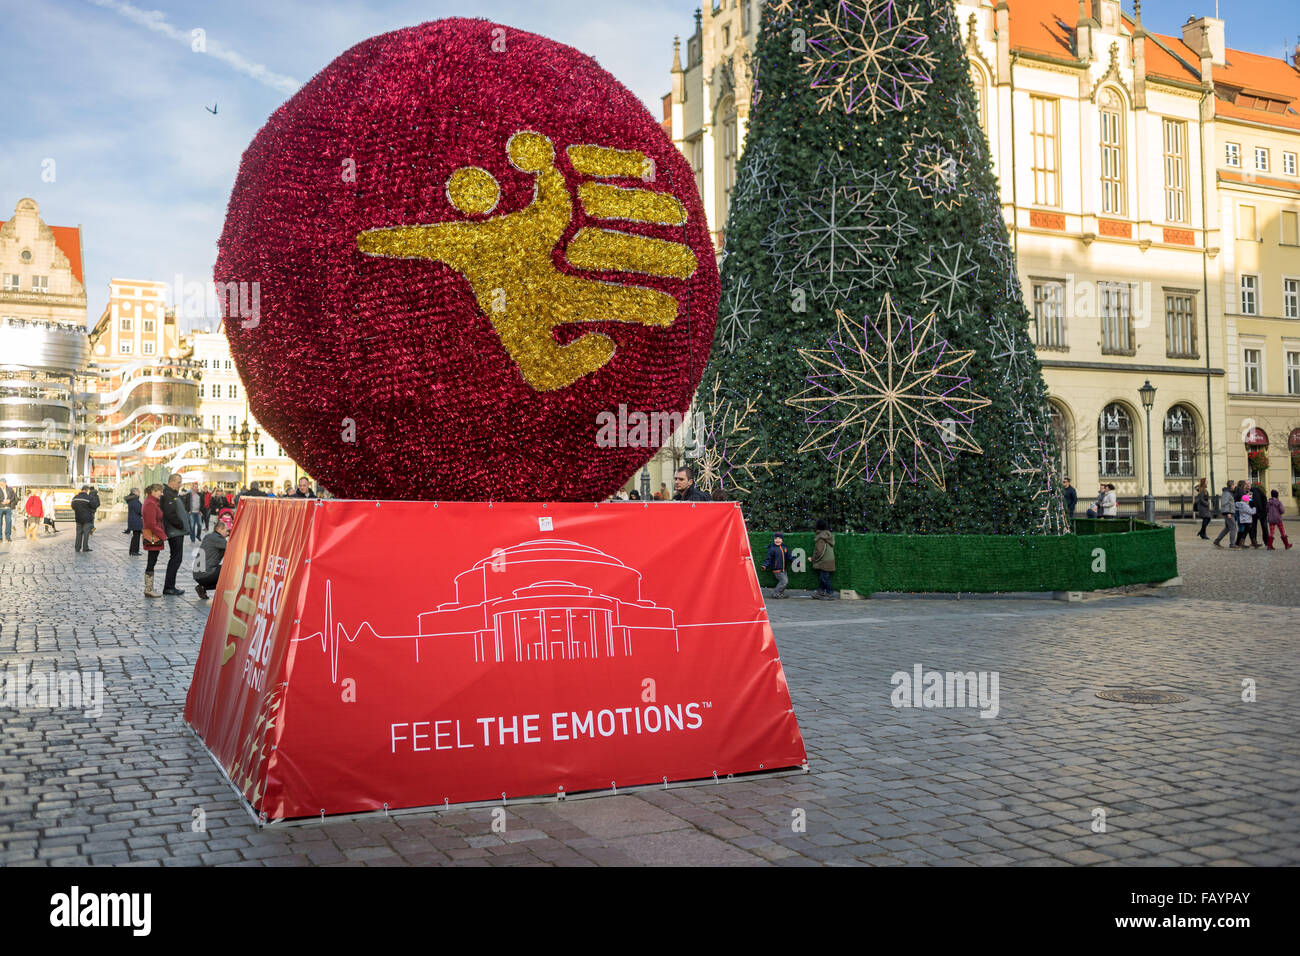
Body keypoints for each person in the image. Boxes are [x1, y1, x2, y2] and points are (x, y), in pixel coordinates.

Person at [193, 511, 233, 600]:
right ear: (220, 529)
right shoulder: (217, 539)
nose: (228, 534)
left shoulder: (209, 536)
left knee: (223, 569)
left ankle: (203, 587)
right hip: (205, 574)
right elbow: (233, 548)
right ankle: (224, 595)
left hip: (198, 574)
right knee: (230, 570)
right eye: (227, 531)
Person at [161, 473, 188, 595]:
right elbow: (170, 514)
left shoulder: (172, 494)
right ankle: (169, 587)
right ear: (171, 482)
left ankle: (170, 586)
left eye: (180, 482)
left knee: (176, 558)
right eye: (178, 482)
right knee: (176, 559)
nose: (180, 484)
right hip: (174, 531)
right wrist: (180, 525)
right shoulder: (168, 495)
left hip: (176, 531)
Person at [141, 484, 166, 598]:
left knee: (152, 561)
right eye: (160, 491)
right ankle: (148, 588)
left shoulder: (153, 502)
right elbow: (151, 523)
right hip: (153, 536)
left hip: (154, 535)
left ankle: (149, 587)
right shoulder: (150, 503)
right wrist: (163, 535)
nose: (162, 494)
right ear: (154, 491)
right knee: (151, 562)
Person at [761, 533, 791, 599]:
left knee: (784, 582)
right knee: (784, 581)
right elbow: (768, 558)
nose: (777, 540)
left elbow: (790, 556)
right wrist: (764, 565)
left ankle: (780, 593)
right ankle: (776, 593)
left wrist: (795, 561)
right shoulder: (772, 549)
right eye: (776, 539)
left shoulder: (785, 547)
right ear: (774, 540)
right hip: (777, 569)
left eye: (779, 538)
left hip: (783, 569)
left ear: (782, 540)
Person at [811, 520, 836, 599]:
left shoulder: (820, 537)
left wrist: (812, 559)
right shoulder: (829, 535)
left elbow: (819, 551)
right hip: (830, 560)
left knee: (824, 578)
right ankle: (820, 592)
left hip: (824, 560)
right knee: (823, 577)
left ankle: (830, 592)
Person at [1213, 482, 1238, 549]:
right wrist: (1228, 513)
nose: (1234, 486)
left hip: (1230, 512)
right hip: (1228, 513)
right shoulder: (1227, 493)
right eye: (1234, 485)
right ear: (1231, 485)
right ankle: (1232, 544)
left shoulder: (1229, 492)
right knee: (1233, 528)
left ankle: (1217, 541)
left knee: (1227, 528)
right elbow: (1225, 503)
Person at [71, 485, 95, 552]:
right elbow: (94, 506)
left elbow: (73, 506)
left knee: (78, 533)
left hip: (78, 518)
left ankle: (77, 547)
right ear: (87, 490)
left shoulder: (75, 497)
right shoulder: (89, 498)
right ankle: (85, 548)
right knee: (86, 533)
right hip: (87, 518)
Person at [1234, 483, 1256, 549]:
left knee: (1248, 530)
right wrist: (1254, 508)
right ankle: (1240, 543)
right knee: (1244, 530)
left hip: (1243, 518)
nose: (1247, 486)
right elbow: (1251, 512)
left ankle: (1253, 542)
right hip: (1247, 520)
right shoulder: (1245, 504)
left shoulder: (1239, 502)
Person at [124, 487, 143, 555]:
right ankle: (134, 551)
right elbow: (139, 510)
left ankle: (133, 551)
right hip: (136, 520)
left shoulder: (132, 499)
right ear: (134, 492)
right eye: (138, 491)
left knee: (135, 536)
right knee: (136, 537)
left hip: (134, 520)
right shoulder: (134, 500)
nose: (139, 493)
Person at [1249, 482, 1268, 548]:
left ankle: (1266, 542)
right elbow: (1250, 501)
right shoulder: (1248, 493)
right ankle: (1254, 542)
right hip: (1253, 513)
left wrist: (1264, 507)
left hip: (1262, 511)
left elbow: (1264, 497)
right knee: (1253, 528)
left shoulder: (1256, 489)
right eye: (1246, 485)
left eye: (1248, 484)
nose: (1248, 486)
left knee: (1264, 527)